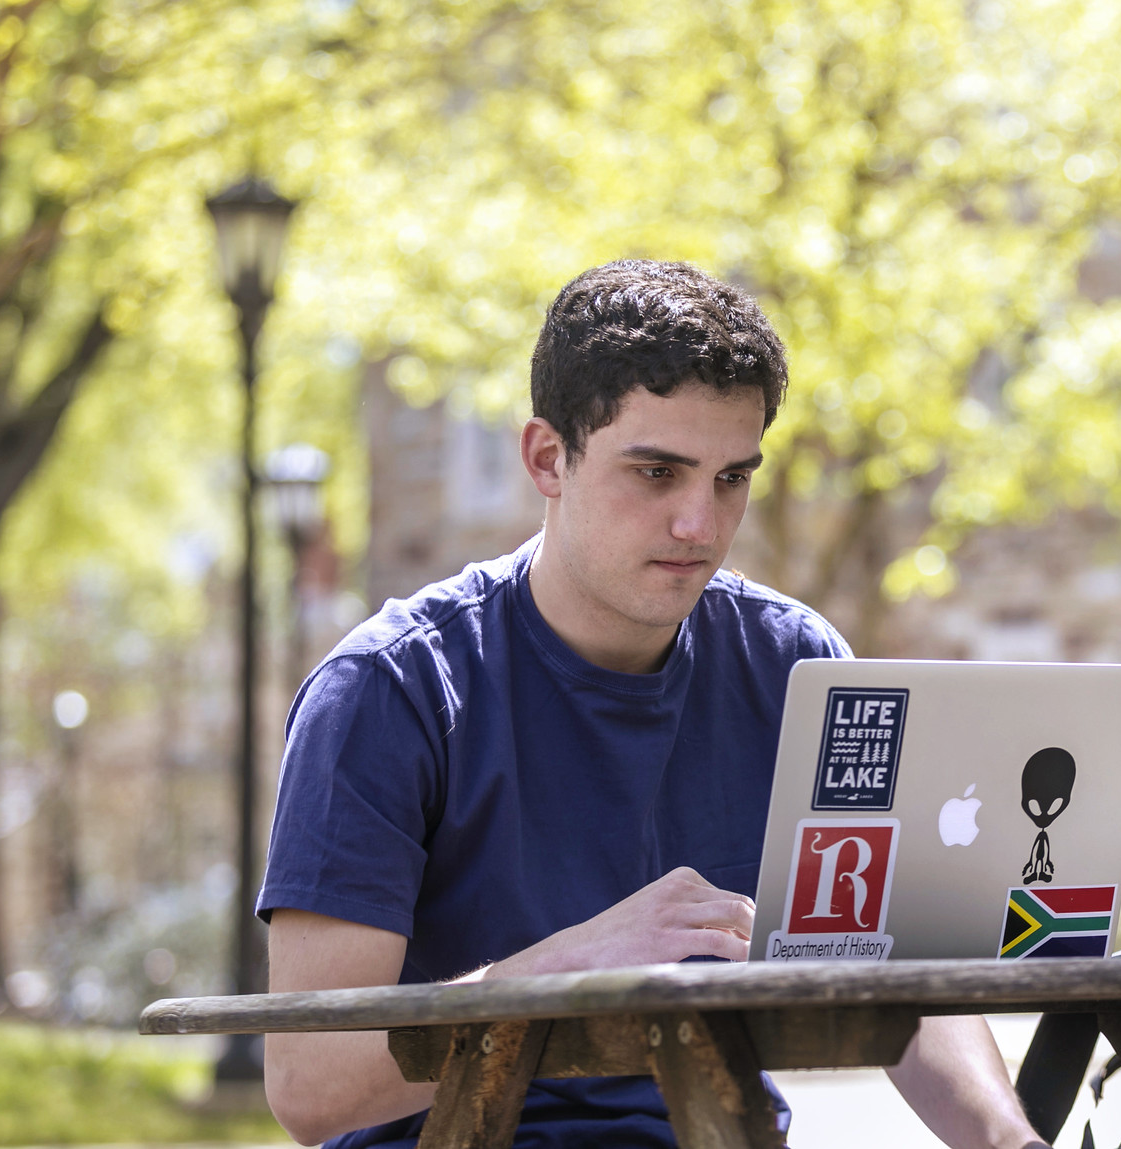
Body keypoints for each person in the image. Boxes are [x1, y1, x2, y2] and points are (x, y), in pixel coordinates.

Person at [259, 260, 1046, 1149]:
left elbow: (895, 973)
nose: (699, 525)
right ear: (548, 457)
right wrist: (570, 968)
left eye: (730, 477)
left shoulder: (798, 665)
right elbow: (310, 1081)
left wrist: (1008, 1141)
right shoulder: (387, 689)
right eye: (657, 471)